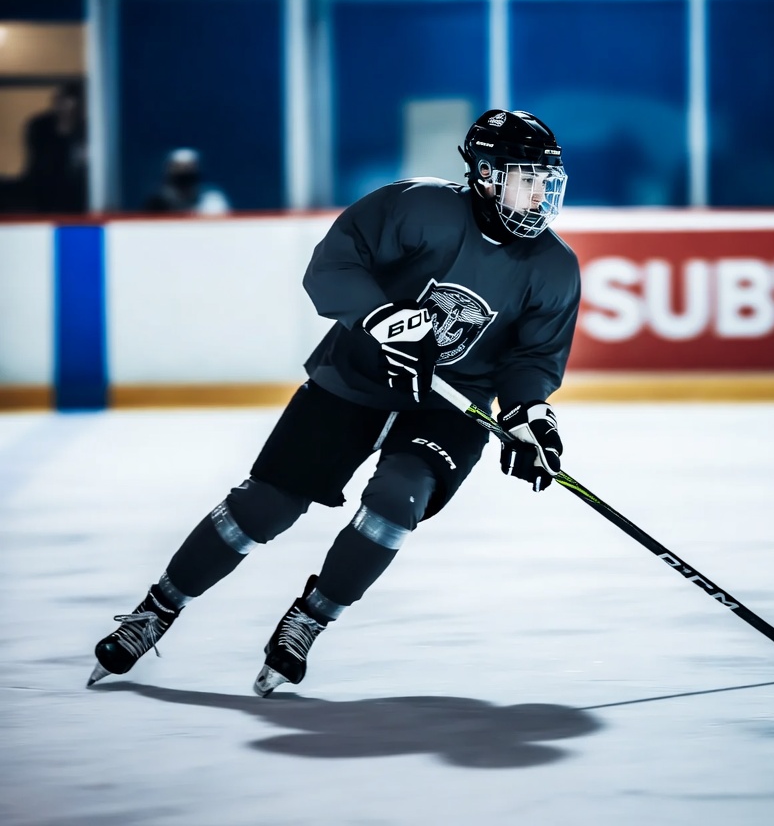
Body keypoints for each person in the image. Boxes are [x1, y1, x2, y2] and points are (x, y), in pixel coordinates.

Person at [87, 109, 581, 697]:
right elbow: (334, 263)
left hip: (450, 406)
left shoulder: (555, 268)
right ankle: (157, 609)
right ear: (482, 173)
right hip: (355, 378)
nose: (538, 194)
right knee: (265, 506)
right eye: (524, 177)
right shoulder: (417, 208)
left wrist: (530, 418)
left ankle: (309, 620)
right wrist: (387, 320)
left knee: (397, 500)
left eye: (545, 179)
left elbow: (532, 361)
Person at [22, 80, 88, 214]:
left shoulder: (88, 130)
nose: (62, 106)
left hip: (78, 199)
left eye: (68, 101)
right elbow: (40, 164)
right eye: (59, 100)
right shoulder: (40, 127)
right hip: (43, 195)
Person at [144, 148, 231, 215]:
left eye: (189, 168)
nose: (184, 173)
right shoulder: (157, 202)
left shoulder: (212, 199)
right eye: (179, 168)